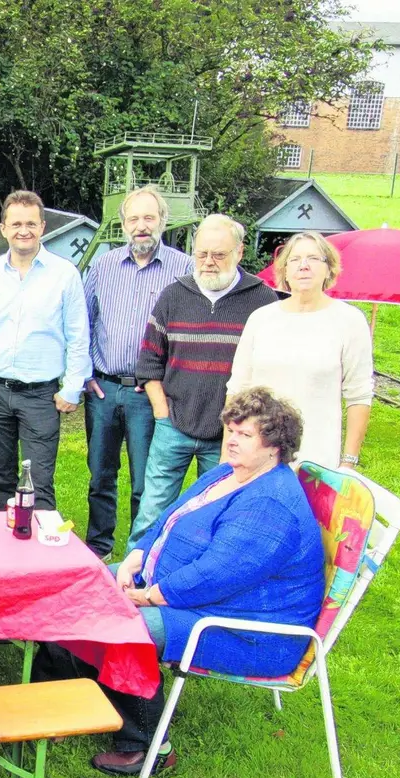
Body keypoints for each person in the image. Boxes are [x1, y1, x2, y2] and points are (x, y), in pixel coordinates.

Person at [59, 387, 325, 778]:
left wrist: (147, 596)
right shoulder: (228, 473)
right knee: (77, 584)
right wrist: (137, 555)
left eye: (245, 435)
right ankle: (79, 701)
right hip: (192, 593)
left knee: (122, 626)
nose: (231, 440)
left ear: (275, 447)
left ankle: (148, 743)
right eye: (230, 429)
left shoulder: (270, 503)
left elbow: (216, 575)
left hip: (248, 630)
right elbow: (171, 517)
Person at [129, 214, 278, 550]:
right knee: (152, 511)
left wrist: (245, 427)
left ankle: (192, 578)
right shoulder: (174, 296)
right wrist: (162, 413)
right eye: (202, 254)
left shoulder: (263, 301)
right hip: (173, 427)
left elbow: (268, 371)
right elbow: (149, 361)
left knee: (215, 513)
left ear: (239, 253)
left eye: (219, 255)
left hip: (231, 432)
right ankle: (131, 579)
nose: (209, 263)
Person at [0, 190, 91, 511]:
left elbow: (78, 335)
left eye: (31, 223)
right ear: (3, 228)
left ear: (42, 227)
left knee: (40, 481)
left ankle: (41, 556)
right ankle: (5, 552)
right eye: (15, 223)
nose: (23, 230)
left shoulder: (64, 275)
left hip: (41, 397)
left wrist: (72, 388)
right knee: (1, 477)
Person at [81, 186, 193, 559]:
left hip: (151, 393)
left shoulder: (184, 269)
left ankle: (141, 552)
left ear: (162, 221)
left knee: (146, 483)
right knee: (100, 476)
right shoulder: (103, 266)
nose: (141, 226)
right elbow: (82, 322)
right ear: (123, 223)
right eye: (134, 219)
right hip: (104, 389)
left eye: (149, 218)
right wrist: (85, 375)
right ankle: (99, 549)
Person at [227, 231, 373, 470]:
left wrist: (348, 462)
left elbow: (359, 395)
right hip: (258, 454)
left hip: (316, 458)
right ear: (284, 270)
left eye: (314, 259)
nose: (303, 266)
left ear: (329, 268)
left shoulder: (349, 321)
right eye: (295, 260)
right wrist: (228, 452)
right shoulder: (261, 319)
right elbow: (237, 390)